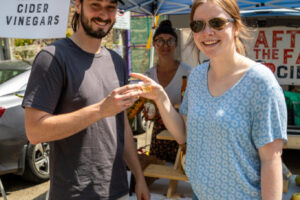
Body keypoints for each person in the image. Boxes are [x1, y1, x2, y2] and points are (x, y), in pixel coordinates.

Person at [131, 0, 287, 199]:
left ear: (236, 26)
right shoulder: (196, 77)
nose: (207, 32)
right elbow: (183, 135)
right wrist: (161, 97)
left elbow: (271, 161)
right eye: (198, 25)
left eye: (217, 23)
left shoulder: (260, 82)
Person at [22, 0, 150, 199]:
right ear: (78, 5)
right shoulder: (52, 57)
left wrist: (138, 176)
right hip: (73, 193)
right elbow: (35, 131)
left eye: (111, 7)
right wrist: (100, 110)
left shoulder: (116, 62)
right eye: (95, 5)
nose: (104, 15)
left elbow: (121, 125)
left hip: (118, 189)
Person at [144, 19, 192, 162]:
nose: (165, 46)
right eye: (160, 41)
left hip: (182, 132)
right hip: (158, 134)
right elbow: (148, 108)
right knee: (158, 173)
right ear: (154, 44)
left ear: (176, 44)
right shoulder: (149, 75)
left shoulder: (188, 72)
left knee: (179, 174)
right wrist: (147, 111)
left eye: (169, 41)